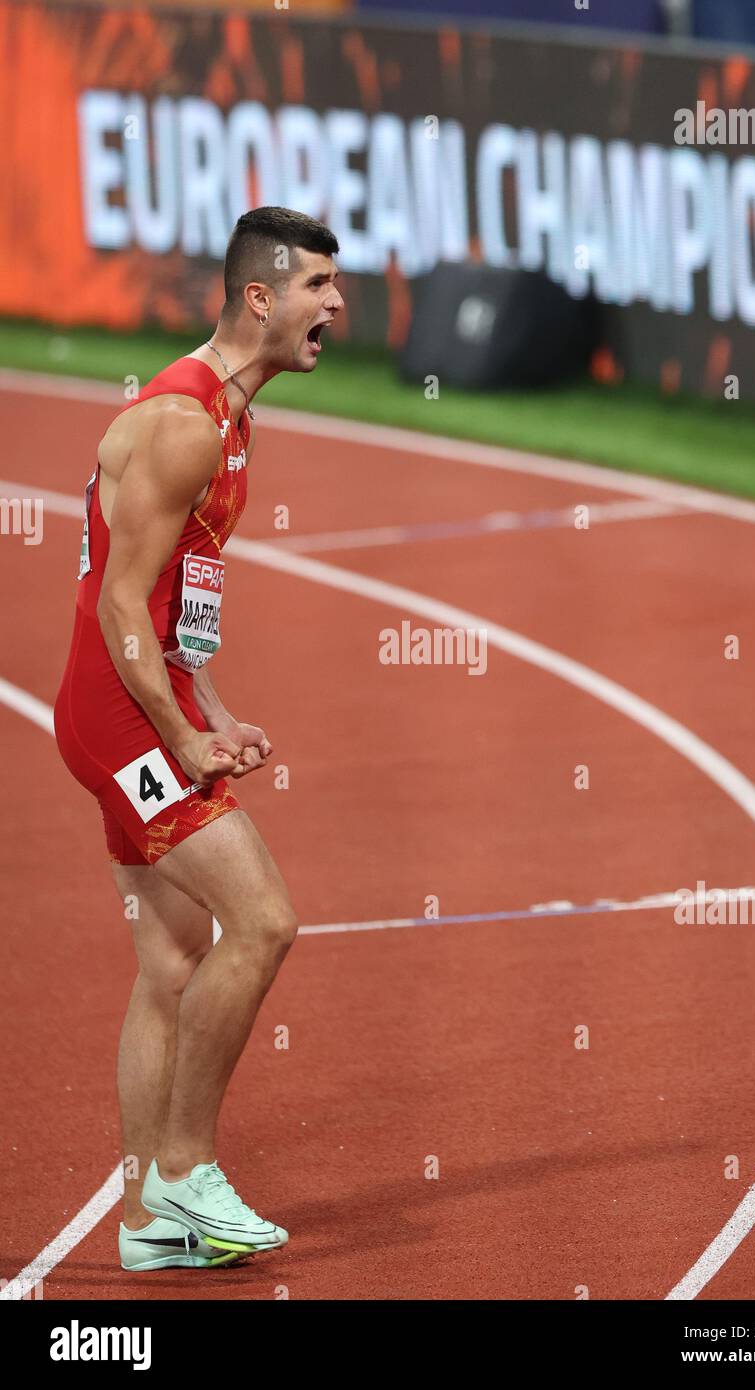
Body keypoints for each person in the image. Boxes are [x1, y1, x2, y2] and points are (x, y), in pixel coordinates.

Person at [54, 207, 344, 1271]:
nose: (335, 306)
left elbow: (177, 605)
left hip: (143, 702)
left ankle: (145, 1224)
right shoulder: (182, 423)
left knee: (172, 957)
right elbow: (120, 602)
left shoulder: (229, 415)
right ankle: (185, 1168)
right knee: (263, 921)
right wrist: (175, 728)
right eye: (317, 284)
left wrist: (211, 708)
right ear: (259, 297)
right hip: (118, 714)